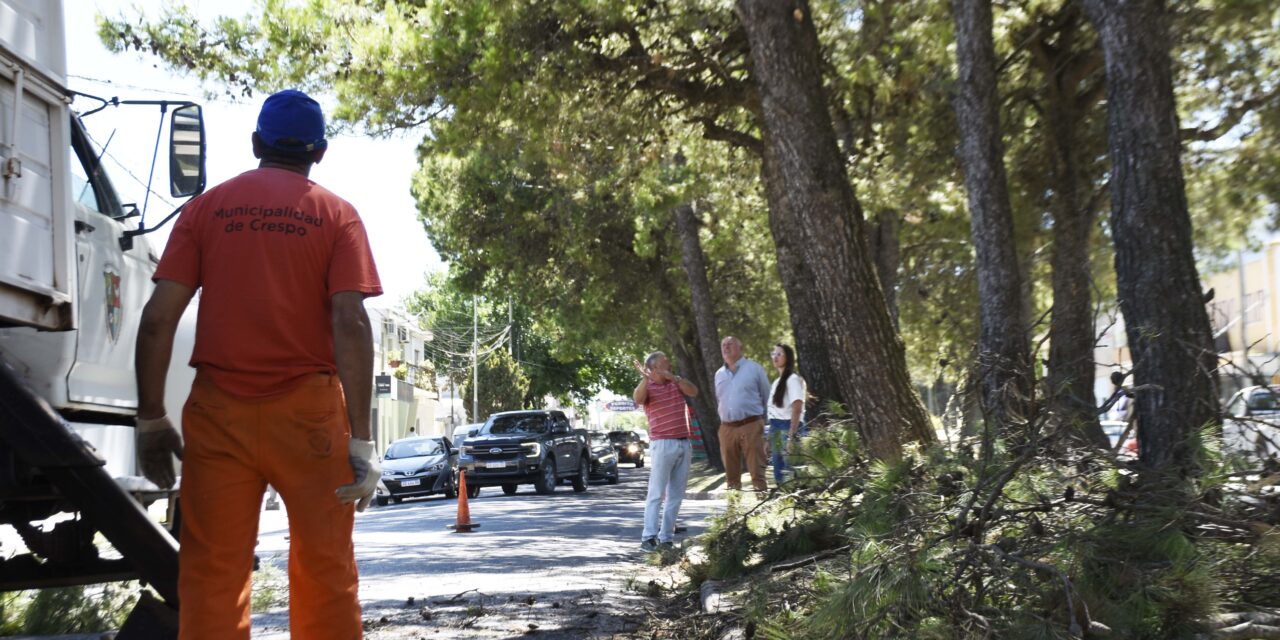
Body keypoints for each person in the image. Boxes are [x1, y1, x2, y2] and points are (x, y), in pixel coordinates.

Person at [133, 89, 382, 640]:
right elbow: (350, 322)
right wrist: (361, 438)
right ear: (319, 152)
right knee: (326, 571)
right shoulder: (338, 215)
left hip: (220, 416)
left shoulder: (206, 208)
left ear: (254, 145)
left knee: (212, 576)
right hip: (310, 419)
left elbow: (157, 320)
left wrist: (150, 417)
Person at [633, 351, 699, 551]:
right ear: (654, 368)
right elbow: (637, 398)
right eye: (664, 363)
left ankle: (666, 538)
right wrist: (645, 379)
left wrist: (675, 378)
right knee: (656, 493)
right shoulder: (648, 387)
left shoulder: (676, 383)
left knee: (676, 495)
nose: (669, 365)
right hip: (662, 443)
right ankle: (649, 537)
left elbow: (694, 391)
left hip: (683, 442)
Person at [714, 336, 771, 492]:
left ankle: (762, 507)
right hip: (727, 428)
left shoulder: (755, 369)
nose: (726, 347)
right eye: (723, 345)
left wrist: (765, 426)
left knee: (757, 472)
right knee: (731, 476)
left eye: (730, 344)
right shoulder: (719, 374)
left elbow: (767, 397)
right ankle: (734, 512)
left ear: (740, 348)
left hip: (751, 425)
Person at [767, 343, 806, 485]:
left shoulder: (793, 379)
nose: (775, 357)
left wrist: (792, 435)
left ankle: (799, 501)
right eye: (774, 354)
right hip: (777, 427)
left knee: (792, 471)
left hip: (788, 427)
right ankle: (784, 501)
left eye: (779, 354)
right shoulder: (777, 381)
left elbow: (797, 407)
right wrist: (769, 439)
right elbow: (774, 413)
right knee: (779, 472)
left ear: (787, 358)